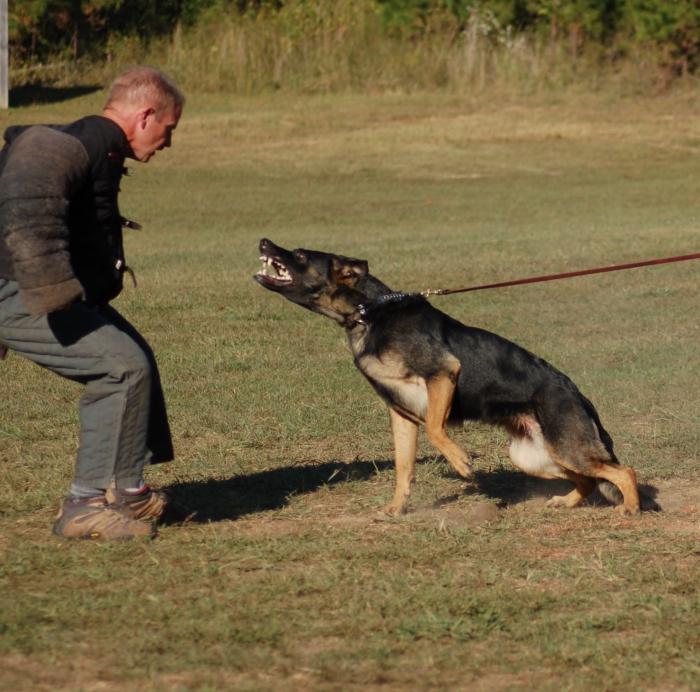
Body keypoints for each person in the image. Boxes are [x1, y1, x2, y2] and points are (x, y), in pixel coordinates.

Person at [0, 67, 185, 539]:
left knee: (133, 356)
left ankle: (128, 491)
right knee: (120, 366)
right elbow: (25, 191)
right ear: (145, 116)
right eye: (168, 130)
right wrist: (53, 289)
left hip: (25, 285)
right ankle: (83, 505)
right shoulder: (68, 143)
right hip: (16, 288)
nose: (167, 143)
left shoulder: (99, 146)